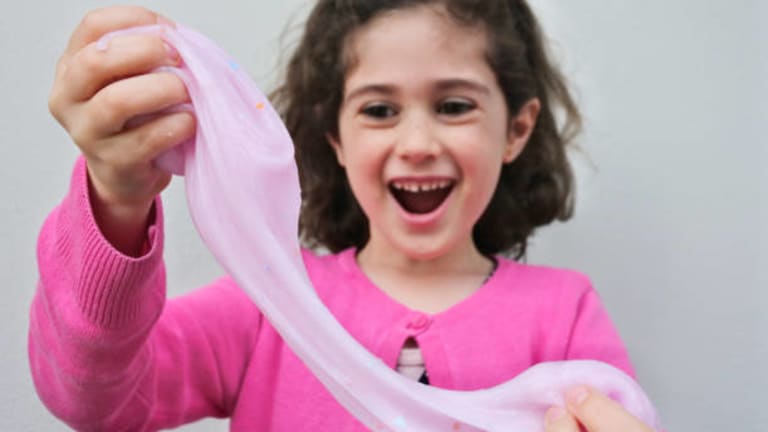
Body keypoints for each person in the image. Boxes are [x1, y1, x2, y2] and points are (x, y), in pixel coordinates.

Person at [30, 2, 656, 431]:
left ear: (516, 129)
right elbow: (94, 400)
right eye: (379, 110)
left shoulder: (565, 311)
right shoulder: (262, 307)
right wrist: (118, 198)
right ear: (334, 137)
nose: (417, 143)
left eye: (454, 106)